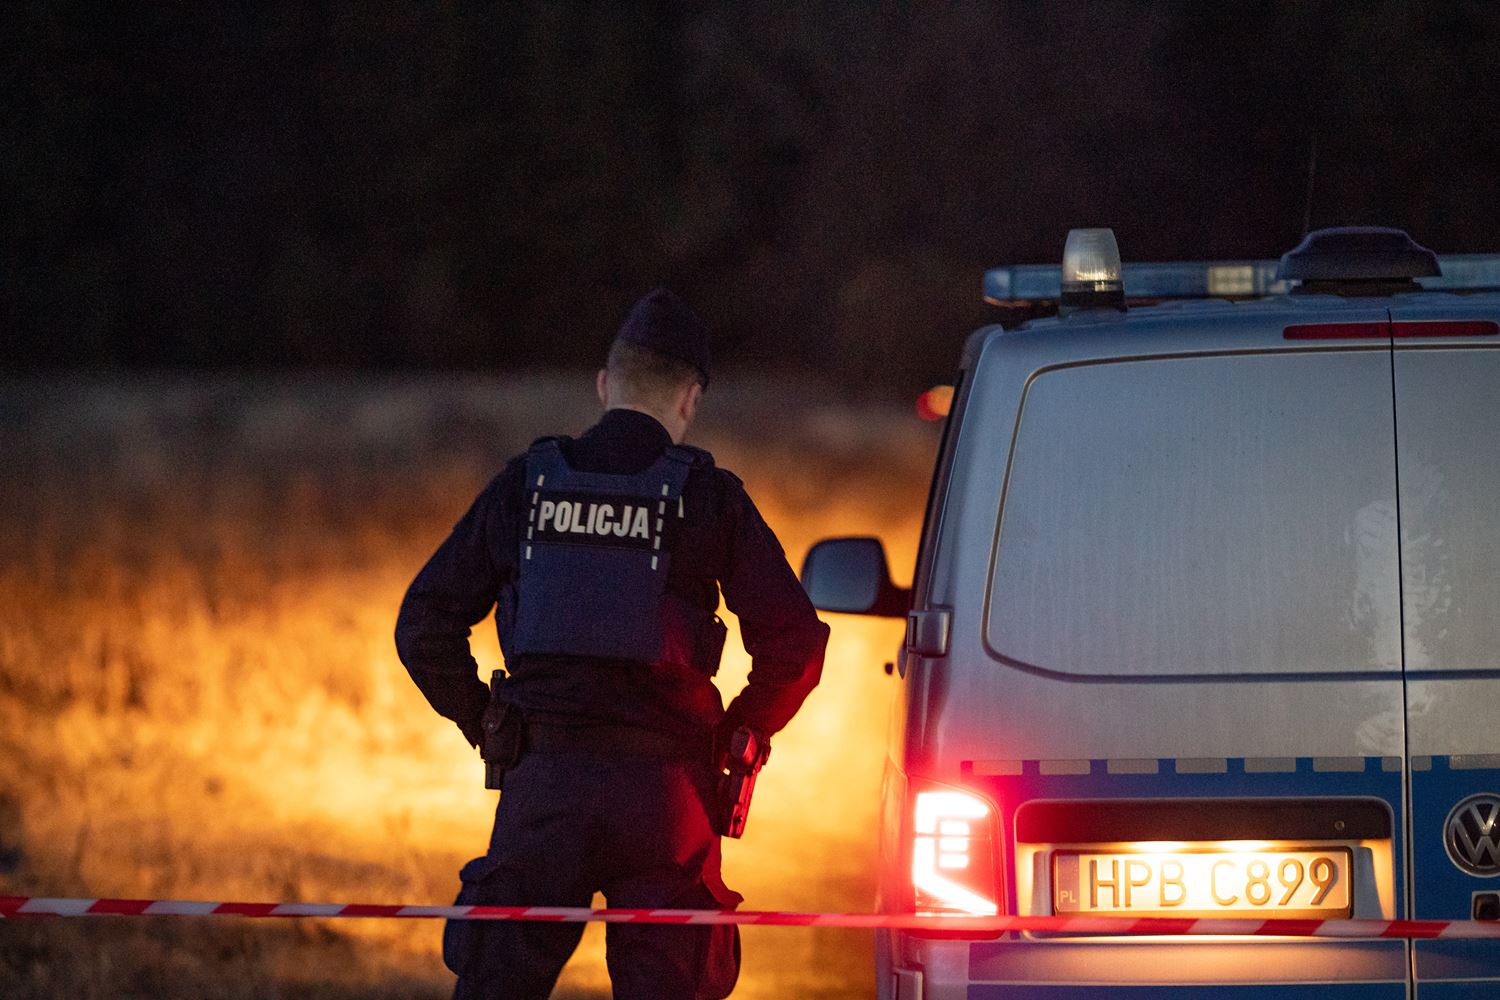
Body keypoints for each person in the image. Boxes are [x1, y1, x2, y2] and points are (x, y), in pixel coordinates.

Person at [394, 288, 829, 1000]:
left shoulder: (526, 486)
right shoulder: (709, 497)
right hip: (668, 800)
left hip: (544, 789)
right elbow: (796, 645)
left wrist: (488, 722)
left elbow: (424, 625)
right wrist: (737, 735)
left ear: (604, 385)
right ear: (690, 399)